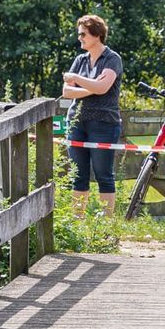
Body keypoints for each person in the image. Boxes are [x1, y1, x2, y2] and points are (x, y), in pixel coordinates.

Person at [62, 14, 125, 214]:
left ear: (97, 35)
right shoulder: (80, 60)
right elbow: (67, 92)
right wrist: (93, 87)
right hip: (76, 123)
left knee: (103, 175)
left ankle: (106, 224)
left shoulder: (112, 59)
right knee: (78, 175)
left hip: (104, 124)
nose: (79, 38)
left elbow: (103, 87)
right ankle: (77, 223)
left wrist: (78, 79)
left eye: (83, 34)